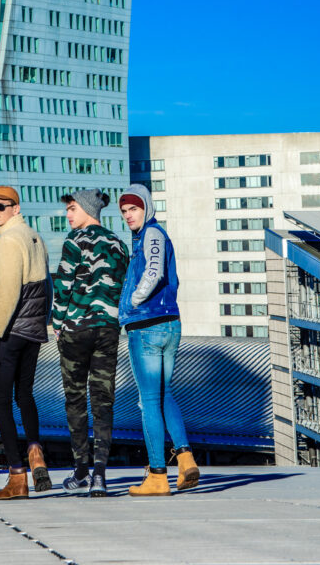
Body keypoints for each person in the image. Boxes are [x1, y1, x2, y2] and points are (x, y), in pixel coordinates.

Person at [118, 183, 200, 496]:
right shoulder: (148, 235)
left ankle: (156, 475)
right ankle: (185, 457)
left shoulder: (152, 234)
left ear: (146, 208)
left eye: (133, 209)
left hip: (147, 326)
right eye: (124, 211)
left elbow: (152, 273)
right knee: (164, 395)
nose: (128, 215)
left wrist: (134, 302)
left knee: (149, 401)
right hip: (169, 325)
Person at [52, 189, 129, 496]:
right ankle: (100, 474)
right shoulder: (118, 244)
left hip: (75, 329)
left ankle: (81, 469)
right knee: (103, 401)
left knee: (75, 400)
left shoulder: (75, 241)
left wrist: (57, 324)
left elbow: (64, 285)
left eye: (72, 209)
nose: (68, 215)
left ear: (86, 209)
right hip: (108, 330)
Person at [0, 184, 52, 499]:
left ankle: (17, 476)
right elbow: (47, 285)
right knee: (25, 395)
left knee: (1, 401)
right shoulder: (36, 238)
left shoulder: (8, 242)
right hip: (34, 330)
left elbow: (8, 294)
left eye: (1, 206)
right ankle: (35, 450)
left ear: (16, 208)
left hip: (11, 332)